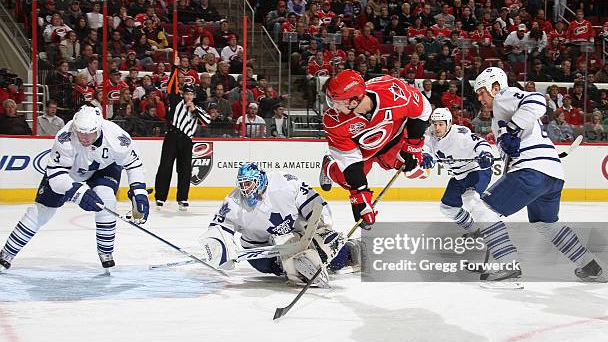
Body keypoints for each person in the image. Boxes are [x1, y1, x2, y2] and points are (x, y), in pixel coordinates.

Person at [472, 66, 604, 281]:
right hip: (551, 174)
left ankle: (508, 264)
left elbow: (537, 100)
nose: (479, 98)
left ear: (495, 88)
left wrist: (512, 130)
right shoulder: (503, 113)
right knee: (546, 224)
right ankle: (589, 265)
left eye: (482, 91)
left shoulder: (503, 97)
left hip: (531, 170)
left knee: (482, 209)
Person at [0, 105, 149, 271]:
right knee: (42, 211)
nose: (83, 137)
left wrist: (139, 193)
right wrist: (79, 193)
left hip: (103, 168)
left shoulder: (118, 138)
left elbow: (134, 164)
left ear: (99, 128)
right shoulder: (65, 138)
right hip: (69, 172)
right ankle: (7, 253)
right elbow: (56, 176)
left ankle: (106, 253)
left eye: (88, 133)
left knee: (106, 199)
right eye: (80, 132)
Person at [196, 163, 361, 287]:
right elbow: (218, 229)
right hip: (260, 250)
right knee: (289, 264)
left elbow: (314, 204)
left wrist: (320, 229)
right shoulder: (233, 202)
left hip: (298, 235)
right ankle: (294, 267)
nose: (245, 190)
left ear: (259, 180)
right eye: (242, 185)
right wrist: (220, 250)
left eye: (249, 184)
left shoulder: (284, 182)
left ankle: (351, 251)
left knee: (333, 255)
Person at [318, 70, 432, 228]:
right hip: (363, 154)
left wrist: (413, 145)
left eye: (337, 102)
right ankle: (328, 166)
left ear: (353, 101)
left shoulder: (393, 92)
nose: (334, 107)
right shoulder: (334, 121)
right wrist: (360, 194)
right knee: (347, 181)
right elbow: (349, 159)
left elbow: (423, 110)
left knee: (408, 165)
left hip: (393, 140)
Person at [420, 108, 495, 233]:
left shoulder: (460, 134)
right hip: (458, 177)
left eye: (440, 124)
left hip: (476, 171)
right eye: (434, 124)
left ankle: (492, 227)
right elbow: (426, 148)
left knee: (470, 198)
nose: (437, 128)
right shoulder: (430, 134)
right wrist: (427, 156)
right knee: (447, 207)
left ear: (449, 123)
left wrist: (485, 154)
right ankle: (475, 230)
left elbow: (480, 143)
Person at [154, 56, 209, 211]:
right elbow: (171, 86)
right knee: (165, 166)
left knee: (185, 169)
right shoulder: (176, 101)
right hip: (172, 136)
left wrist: (194, 111)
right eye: (186, 94)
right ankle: (160, 197)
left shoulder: (197, 109)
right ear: (183, 94)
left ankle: (183, 198)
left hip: (186, 140)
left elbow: (207, 121)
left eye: (191, 94)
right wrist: (175, 68)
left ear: (194, 96)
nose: (188, 96)